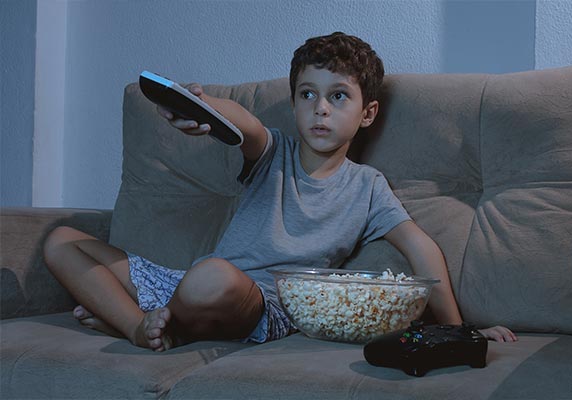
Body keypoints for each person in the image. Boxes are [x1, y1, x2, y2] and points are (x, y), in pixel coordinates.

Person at [43, 32, 516, 352]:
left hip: (264, 306)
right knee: (61, 242)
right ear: (292, 104)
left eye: (338, 96)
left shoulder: (368, 187)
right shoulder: (274, 153)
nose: (321, 110)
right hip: (191, 284)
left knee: (213, 277)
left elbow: (422, 249)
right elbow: (243, 125)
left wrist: (458, 334)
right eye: (307, 95)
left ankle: (143, 319)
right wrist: (206, 107)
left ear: (367, 113)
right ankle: (134, 326)